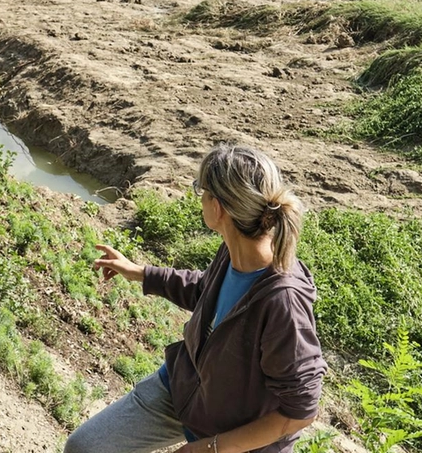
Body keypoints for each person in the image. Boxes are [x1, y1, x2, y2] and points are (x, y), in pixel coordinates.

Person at [66, 144, 326, 453]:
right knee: (84, 448)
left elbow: (300, 411)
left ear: (218, 209)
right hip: (185, 389)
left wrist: (210, 449)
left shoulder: (283, 301)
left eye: (200, 192)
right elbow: (205, 291)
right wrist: (141, 273)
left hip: (238, 437)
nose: (199, 200)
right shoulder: (234, 252)